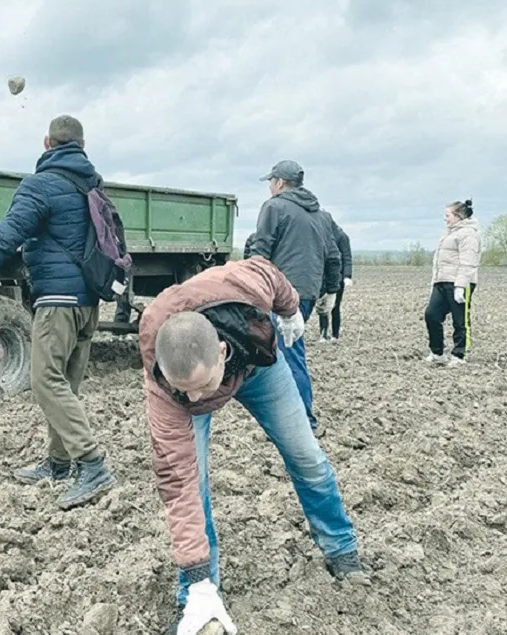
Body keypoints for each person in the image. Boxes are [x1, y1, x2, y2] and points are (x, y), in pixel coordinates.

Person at [138, 255, 365, 634]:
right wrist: (196, 579)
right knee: (194, 484)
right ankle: (197, 596)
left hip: (258, 368)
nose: (195, 402)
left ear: (221, 355)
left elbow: (269, 271)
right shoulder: (165, 388)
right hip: (200, 369)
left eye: (200, 388)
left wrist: (291, 310)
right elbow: (178, 486)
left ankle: (341, 548)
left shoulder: (245, 287)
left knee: (305, 455)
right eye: (185, 391)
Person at [0, 115, 115, 510]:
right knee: (66, 383)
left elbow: (4, 237)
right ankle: (60, 463)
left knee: (46, 382)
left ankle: (93, 464)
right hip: (87, 304)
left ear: (47, 143)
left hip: (58, 304)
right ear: (81, 145)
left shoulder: (40, 185)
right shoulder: (93, 184)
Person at [244, 160, 341, 434]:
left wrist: (250, 289)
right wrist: (331, 291)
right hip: (308, 293)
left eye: (270, 183)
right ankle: (285, 419)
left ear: (279, 183)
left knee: (288, 356)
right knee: (281, 353)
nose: (269, 188)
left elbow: (260, 252)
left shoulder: (274, 207)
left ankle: (303, 422)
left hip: (281, 294)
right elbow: (333, 255)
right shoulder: (321, 215)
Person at [425, 199, 480, 366]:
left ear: (458, 216)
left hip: (459, 283)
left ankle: (459, 355)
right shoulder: (448, 233)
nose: (445, 218)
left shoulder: (469, 235)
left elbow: (468, 262)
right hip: (441, 282)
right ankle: (437, 353)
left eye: (447, 215)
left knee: (460, 320)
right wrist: (435, 281)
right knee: (431, 315)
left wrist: (460, 286)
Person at [317, 211, 353, 341]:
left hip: (338, 277)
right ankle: (323, 334)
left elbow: (347, 257)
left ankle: (335, 334)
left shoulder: (342, 237)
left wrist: (347, 276)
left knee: (335, 306)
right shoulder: (321, 236)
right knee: (322, 306)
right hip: (322, 277)